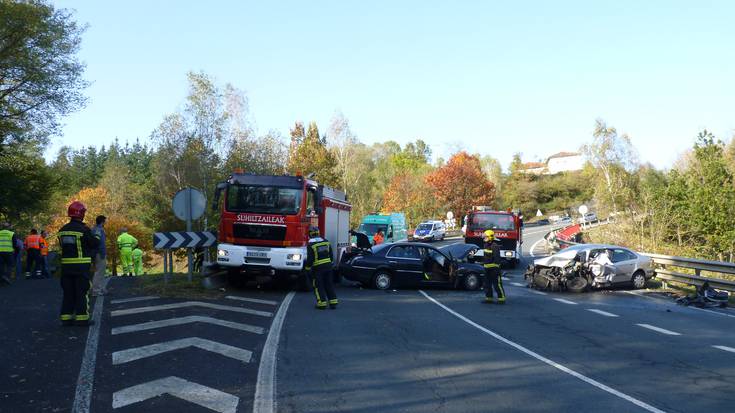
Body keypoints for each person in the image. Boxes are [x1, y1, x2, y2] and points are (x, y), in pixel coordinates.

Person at [58, 201, 100, 326]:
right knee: (82, 291)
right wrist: (97, 235)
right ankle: (82, 319)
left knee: (68, 292)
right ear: (81, 214)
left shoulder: (62, 230)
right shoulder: (83, 229)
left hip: (66, 266)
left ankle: (66, 318)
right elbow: (94, 243)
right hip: (81, 265)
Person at [304, 226, 338, 310]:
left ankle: (321, 303)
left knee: (318, 285)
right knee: (329, 284)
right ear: (318, 233)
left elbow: (310, 259)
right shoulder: (326, 242)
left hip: (318, 268)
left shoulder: (311, 245)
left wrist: (307, 268)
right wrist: (330, 264)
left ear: (310, 235)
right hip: (328, 267)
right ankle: (333, 302)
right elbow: (331, 255)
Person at [482, 230, 505, 304]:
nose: (484, 238)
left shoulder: (495, 246)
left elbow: (497, 259)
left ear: (490, 237)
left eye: (486, 237)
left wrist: (496, 269)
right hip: (486, 269)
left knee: (497, 284)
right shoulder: (485, 245)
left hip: (494, 269)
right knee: (487, 284)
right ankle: (489, 298)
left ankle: (501, 299)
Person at [91, 215, 108, 295]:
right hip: (99, 253)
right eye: (105, 221)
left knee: (101, 272)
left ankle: (100, 288)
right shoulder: (98, 230)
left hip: (99, 253)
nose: (106, 222)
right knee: (99, 272)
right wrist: (102, 253)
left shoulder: (96, 229)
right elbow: (99, 243)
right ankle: (96, 290)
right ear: (102, 221)